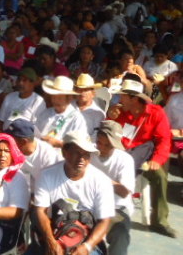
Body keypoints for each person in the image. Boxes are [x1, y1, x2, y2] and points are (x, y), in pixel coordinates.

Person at [108, 77, 176, 237]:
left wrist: (156, 160)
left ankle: (160, 221)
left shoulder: (156, 113)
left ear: (134, 99)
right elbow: (108, 133)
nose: (120, 99)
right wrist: (110, 116)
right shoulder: (119, 112)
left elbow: (164, 140)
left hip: (145, 156)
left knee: (159, 175)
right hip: (121, 154)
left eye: (123, 96)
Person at [33, 131, 114, 255]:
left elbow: (105, 221)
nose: (82, 158)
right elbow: (41, 211)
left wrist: (87, 247)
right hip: (52, 234)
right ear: (64, 152)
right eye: (77, 152)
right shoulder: (46, 175)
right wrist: (51, 242)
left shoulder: (102, 181)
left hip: (87, 239)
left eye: (87, 154)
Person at [91, 121, 135, 255]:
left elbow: (124, 192)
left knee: (120, 234)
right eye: (99, 143)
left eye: (108, 145)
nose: (102, 148)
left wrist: (99, 179)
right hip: (89, 205)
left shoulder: (125, 159)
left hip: (116, 208)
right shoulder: (88, 153)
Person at [5, 119, 60, 192]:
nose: (8, 140)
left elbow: (51, 186)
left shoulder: (48, 156)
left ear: (23, 141)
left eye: (11, 139)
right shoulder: (12, 150)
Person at [37, 76, 88, 148]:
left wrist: (59, 144)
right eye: (53, 97)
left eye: (59, 98)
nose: (55, 100)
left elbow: (80, 145)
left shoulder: (77, 119)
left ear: (69, 98)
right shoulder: (45, 113)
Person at [74, 74, 106, 138]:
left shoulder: (98, 114)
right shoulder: (68, 106)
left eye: (86, 90)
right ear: (76, 91)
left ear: (93, 93)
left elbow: (96, 138)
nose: (82, 92)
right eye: (80, 89)